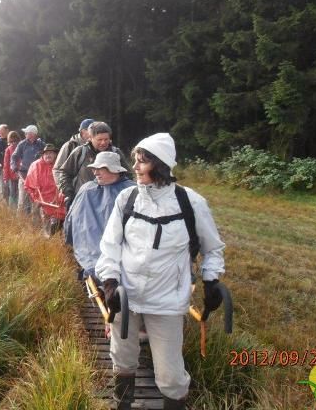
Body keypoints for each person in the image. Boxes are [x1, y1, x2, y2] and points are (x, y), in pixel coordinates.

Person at [95, 133, 226, 410]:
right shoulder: (127, 198)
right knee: (123, 358)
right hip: (126, 297)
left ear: (162, 164)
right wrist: (109, 282)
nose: (136, 168)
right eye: (136, 161)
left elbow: (212, 249)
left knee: (171, 376)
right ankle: (122, 404)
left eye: (143, 162)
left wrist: (211, 281)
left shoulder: (191, 203)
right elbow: (110, 246)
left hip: (167, 301)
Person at [64, 151, 135, 278]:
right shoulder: (86, 190)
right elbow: (71, 221)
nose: (95, 173)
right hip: (89, 254)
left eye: (100, 169)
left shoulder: (132, 191)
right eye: (94, 169)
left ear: (115, 170)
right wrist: (69, 245)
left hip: (125, 256)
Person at [56, 121, 132, 209]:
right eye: (99, 140)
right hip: (84, 201)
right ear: (90, 138)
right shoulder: (80, 152)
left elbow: (127, 175)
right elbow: (64, 173)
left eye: (106, 139)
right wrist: (68, 193)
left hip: (111, 203)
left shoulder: (115, 153)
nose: (103, 143)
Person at [24, 144, 66, 236]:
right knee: (45, 228)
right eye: (46, 153)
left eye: (50, 153)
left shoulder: (61, 164)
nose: (48, 155)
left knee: (60, 227)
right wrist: (36, 198)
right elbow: (28, 185)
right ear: (42, 155)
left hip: (59, 203)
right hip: (43, 203)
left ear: (55, 154)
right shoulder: (35, 166)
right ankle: (45, 243)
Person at [10, 125, 45, 214]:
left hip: (37, 176)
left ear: (33, 134)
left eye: (27, 132)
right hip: (24, 175)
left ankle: (34, 223)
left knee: (36, 201)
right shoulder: (22, 144)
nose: (25, 134)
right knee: (22, 200)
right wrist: (14, 166)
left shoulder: (42, 145)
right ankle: (20, 222)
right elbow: (14, 157)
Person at [52, 118, 94, 186]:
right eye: (92, 131)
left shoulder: (96, 146)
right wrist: (64, 189)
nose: (95, 133)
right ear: (83, 131)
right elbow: (57, 169)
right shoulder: (70, 146)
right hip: (75, 191)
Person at [3, 131, 21, 208]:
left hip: (22, 175)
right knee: (13, 193)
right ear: (9, 141)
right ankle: (13, 209)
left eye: (15, 141)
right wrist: (5, 177)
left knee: (21, 193)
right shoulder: (8, 150)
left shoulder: (22, 147)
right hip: (12, 175)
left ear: (18, 140)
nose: (13, 143)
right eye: (11, 141)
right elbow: (6, 164)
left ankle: (20, 209)